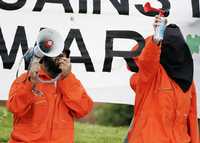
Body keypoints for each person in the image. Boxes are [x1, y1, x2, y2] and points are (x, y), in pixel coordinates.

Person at [127, 16, 199, 143]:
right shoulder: (152, 75)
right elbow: (146, 61)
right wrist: (156, 40)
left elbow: (192, 119)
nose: (177, 52)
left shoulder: (188, 81)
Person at [6, 48, 93, 143]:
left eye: (62, 55)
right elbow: (14, 108)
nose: (60, 59)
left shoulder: (69, 80)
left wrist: (67, 78)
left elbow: (83, 109)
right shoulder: (25, 79)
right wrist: (30, 83)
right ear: (42, 58)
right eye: (55, 54)